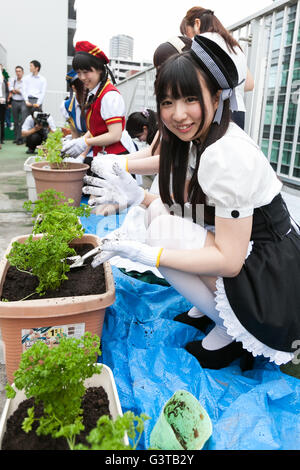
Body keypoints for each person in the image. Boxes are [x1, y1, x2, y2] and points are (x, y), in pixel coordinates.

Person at [82, 35, 300, 371]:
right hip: (255, 251)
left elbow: (229, 262)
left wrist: (148, 254)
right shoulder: (204, 138)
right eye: (167, 102)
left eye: (189, 99)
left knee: (163, 234)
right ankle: (217, 310)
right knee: (158, 213)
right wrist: (139, 197)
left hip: (268, 277)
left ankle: (232, 328)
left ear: (215, 97)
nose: (178, 114)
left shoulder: (224, 154)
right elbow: (192, 208)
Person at [61, 41, 136, 164]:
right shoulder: (96, 93)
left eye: (86, 72)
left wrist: (85, 142)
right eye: (79, 73)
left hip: (117, 158)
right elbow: (98, 128)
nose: (82, 77)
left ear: (100, 70)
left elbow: (115, 135)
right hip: (104, 156)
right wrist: (81, 141)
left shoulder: (109, 96)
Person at [181, 6, 254, 130]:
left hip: (215, 111)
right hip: (238, 111)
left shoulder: (200, 43)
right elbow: (250, 84)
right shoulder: (234, 46)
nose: (188, 38)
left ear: (197, 23)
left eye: (187, 33)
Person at [60, 69, 87, 139]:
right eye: (83, 85)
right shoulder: (67, 106)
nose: (87, 88)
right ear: (74, 88)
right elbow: (75, 133)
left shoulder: (96, 102)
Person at [9, 66, 27, 144]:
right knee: (16, 121)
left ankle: (22, 138)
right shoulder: (13, 80)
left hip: (23, 101)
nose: (18, 73)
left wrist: (17, 91)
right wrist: (17, 91)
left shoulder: (25, 81)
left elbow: (24, 91)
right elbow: (10, 88)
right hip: (14, 101)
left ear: (22, 72)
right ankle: (16, 138)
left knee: (23, 120)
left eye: (19, 71)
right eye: (16, 71)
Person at [0, 64, 9, 146]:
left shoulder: (4, 80)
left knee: (2, 121)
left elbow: (6, 91)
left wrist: (4, 99)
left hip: (2, 104)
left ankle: (1, 138)